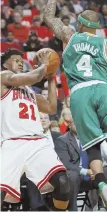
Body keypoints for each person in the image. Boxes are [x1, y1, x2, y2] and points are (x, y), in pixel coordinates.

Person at [43, 0, 107, 207]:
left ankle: (101, 184)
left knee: (91, 144)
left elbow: (48, 17)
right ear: (97, 27)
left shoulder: (70, 35)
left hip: (79, 94)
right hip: (102, 88)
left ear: (80, 24)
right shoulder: (103, 43)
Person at [0, 48, 70, 211]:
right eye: (16, 60)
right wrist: (45, 65)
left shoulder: (31, 93)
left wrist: (51, 78)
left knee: (62, 183)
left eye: (21, 60)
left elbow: (52, 108)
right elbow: (35, 76)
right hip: (12, 143)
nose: (20, 62)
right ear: (4, 64)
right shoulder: (3, 77)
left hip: (37, 143)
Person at [55, 118, 97, 211]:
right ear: (69, 125)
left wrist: (96, 170)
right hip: (75, 177)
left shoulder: (90, 138)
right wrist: (85, 171)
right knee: (72, 175)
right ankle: (72, 209)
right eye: (75, 123)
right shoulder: (62, 140)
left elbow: (96, 157)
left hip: (90, 176)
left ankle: (102, 206)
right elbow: (65, 164)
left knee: (104, 171)